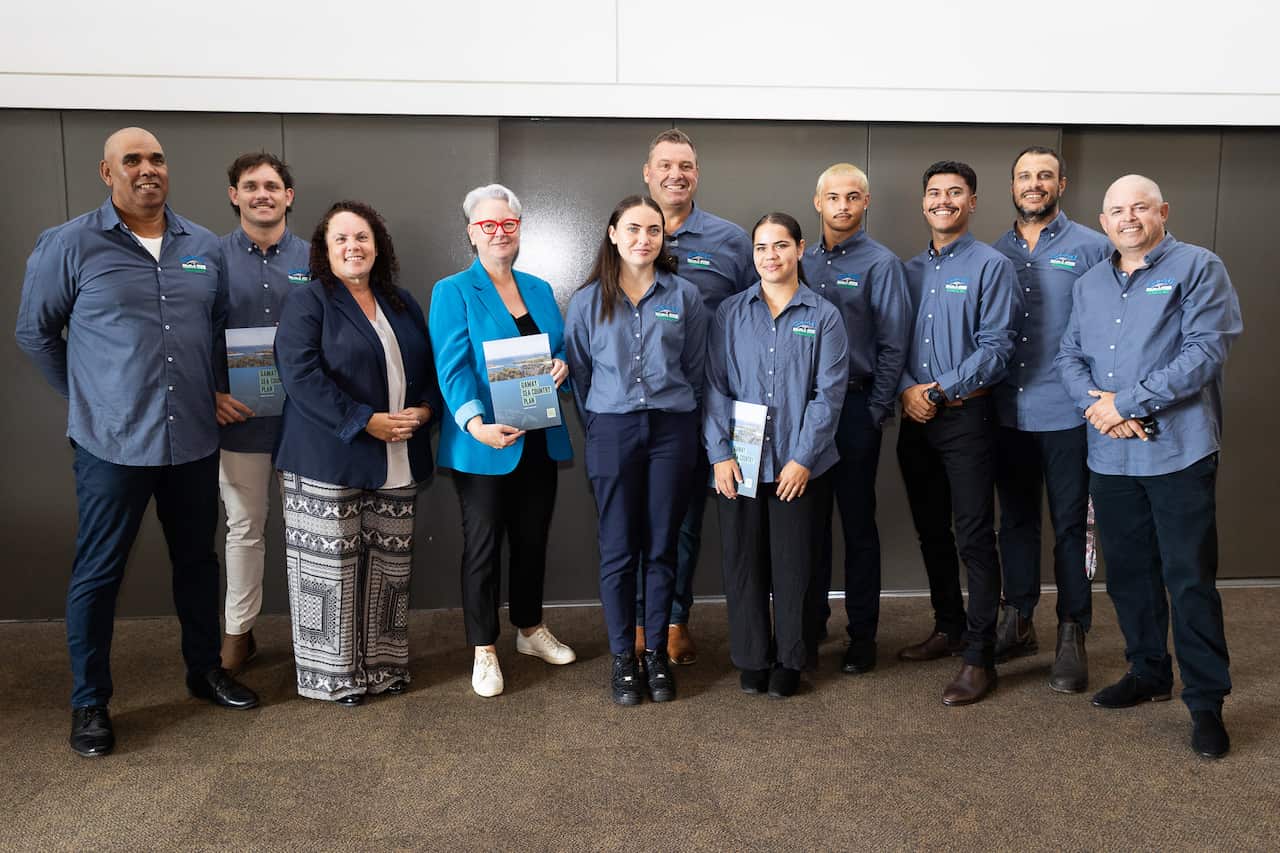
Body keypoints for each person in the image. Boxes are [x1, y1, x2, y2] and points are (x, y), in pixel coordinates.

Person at [15, 127, 259, 758]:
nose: (147, 169)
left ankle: (205, 671)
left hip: (193, 444)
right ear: (107, 172)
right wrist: (89, 397)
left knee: (197, 564)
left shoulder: (201, 245)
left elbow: (211, 332)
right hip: (112, 445)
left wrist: (207, 389)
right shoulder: (68, 245)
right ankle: (90, 702)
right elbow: (36, 333)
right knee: (98, 575)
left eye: (156, 158)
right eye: (133, 160)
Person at [1056, 175, 1241, 758]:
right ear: (1103, 220)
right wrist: (1096, 406)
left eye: (1139, 207)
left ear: (1163, 210)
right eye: (1116, 210)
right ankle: (1148, 672)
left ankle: (1207, 702)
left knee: (1188, 579)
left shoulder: (1198, 266)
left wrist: (1125, 403)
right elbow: (1068, 355)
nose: (1127, 218)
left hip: (1179, 452)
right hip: (1110, 454)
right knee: (1130, 574)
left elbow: (1205, 351)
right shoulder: (1088, 284)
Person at [273, 200, 441, 706]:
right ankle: (333, 678)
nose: (353, 247)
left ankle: (384, 669)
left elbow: (429, 374)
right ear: (325, 251)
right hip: (326, 459)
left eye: (362, 237)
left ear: (378, 245)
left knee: (390, 572)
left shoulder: (403, 302)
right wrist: (364, 421)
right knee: (331, 573)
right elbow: (300, 377)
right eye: (341, 239)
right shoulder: (309, 302)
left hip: (397, 458)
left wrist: (425, 412)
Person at [428, 184, 577, 698]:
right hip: (484, 441)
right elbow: (450, 369)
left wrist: (564, 367)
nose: (499, 233)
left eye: (508, 225)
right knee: (484, 548)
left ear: (519, 230)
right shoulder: (452, 291)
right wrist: (474, 424)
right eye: (488, 225)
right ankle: (484, 648)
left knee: (532, 540)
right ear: (472, 233)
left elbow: (559, 352)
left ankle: (530, 630)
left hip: (538, 438)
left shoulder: (538, 288)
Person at [564, 194, 708, 705]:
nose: (643, 239)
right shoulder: (586, 302)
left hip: (673, 431)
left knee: (663, 545)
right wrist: (602, 424)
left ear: (663, 238)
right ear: (612, 234)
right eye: (633, 229)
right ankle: (625, 657)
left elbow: (695, 370)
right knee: (619, 549)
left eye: (653, 230)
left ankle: (656, 659)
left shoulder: (685, 296)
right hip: (612, 431)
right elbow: (580, 374)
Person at [895, 160, 1021, 706]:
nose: (943, 200)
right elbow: (889, 344)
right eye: (934, 192)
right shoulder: (907, 270)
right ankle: (948, 627)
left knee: (974, 536)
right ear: (924, 203)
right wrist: (907, 390)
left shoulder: (992, 266)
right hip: (914, 418)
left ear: (972, 202)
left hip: (965, 418)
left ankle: (980, 655)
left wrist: (935, 391)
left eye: (955, 192)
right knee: (931, 531)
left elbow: (997, 349)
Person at [707, 212, 848, 698]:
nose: (771, 256)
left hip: (799, 460)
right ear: (753, 255)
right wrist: (719, 454)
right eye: (762, 247)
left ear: (800, 249)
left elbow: (828, 396)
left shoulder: (824, 315)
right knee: (743, 560)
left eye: (781, 246)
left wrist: (803, 458)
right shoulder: (730, 312)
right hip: (740, 458)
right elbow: (714, 387)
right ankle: (751, 656)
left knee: (795, 564)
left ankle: (792, 657)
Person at [991, 146, 1111, 693]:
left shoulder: (1094, 247)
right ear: (1011, 186)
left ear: (1061, 183)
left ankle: (1071, 631)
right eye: (1024, 176)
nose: (1033, 184)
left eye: (1044, 176)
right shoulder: (993, 253)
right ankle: (1017, 620)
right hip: (1005, 411)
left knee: (1069, 526)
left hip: (1067, 413)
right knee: (1013, 523)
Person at [637, 128, 754, 664]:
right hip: (645, 405)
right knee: (642, 518)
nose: (674, 174)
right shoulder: (631, 234)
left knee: (686, 521)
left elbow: (758, 313)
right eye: (665, 165)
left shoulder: (731, 240)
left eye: (685, 165)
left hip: (714, 405)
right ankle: (644, 618)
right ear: (648, 173)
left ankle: (676, 619)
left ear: (696, 174)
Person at [800, 163, 910, 674]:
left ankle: (862, 634)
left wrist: (875, 410)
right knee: (809, 522)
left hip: (855, 410)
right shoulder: (800, 258)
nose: (843, 205)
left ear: (867, 203)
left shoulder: (881, 263)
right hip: (803, 414)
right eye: (833, 197)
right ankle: (810, 620)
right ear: (817, 202)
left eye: (853, 197)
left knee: (858, 525)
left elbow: (892, 345)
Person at [214, 152, 311, 673]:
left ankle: (315, 639)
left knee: (310, 533)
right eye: (250, 186)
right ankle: (237, 636)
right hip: (241, 420)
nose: (262, 194)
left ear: (288, 195)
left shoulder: (318, 257)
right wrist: (211, 392)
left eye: (272, 185)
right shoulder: (209, 257)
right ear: (234, 195)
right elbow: (191, 335)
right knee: (245, 529)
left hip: (306, 422)